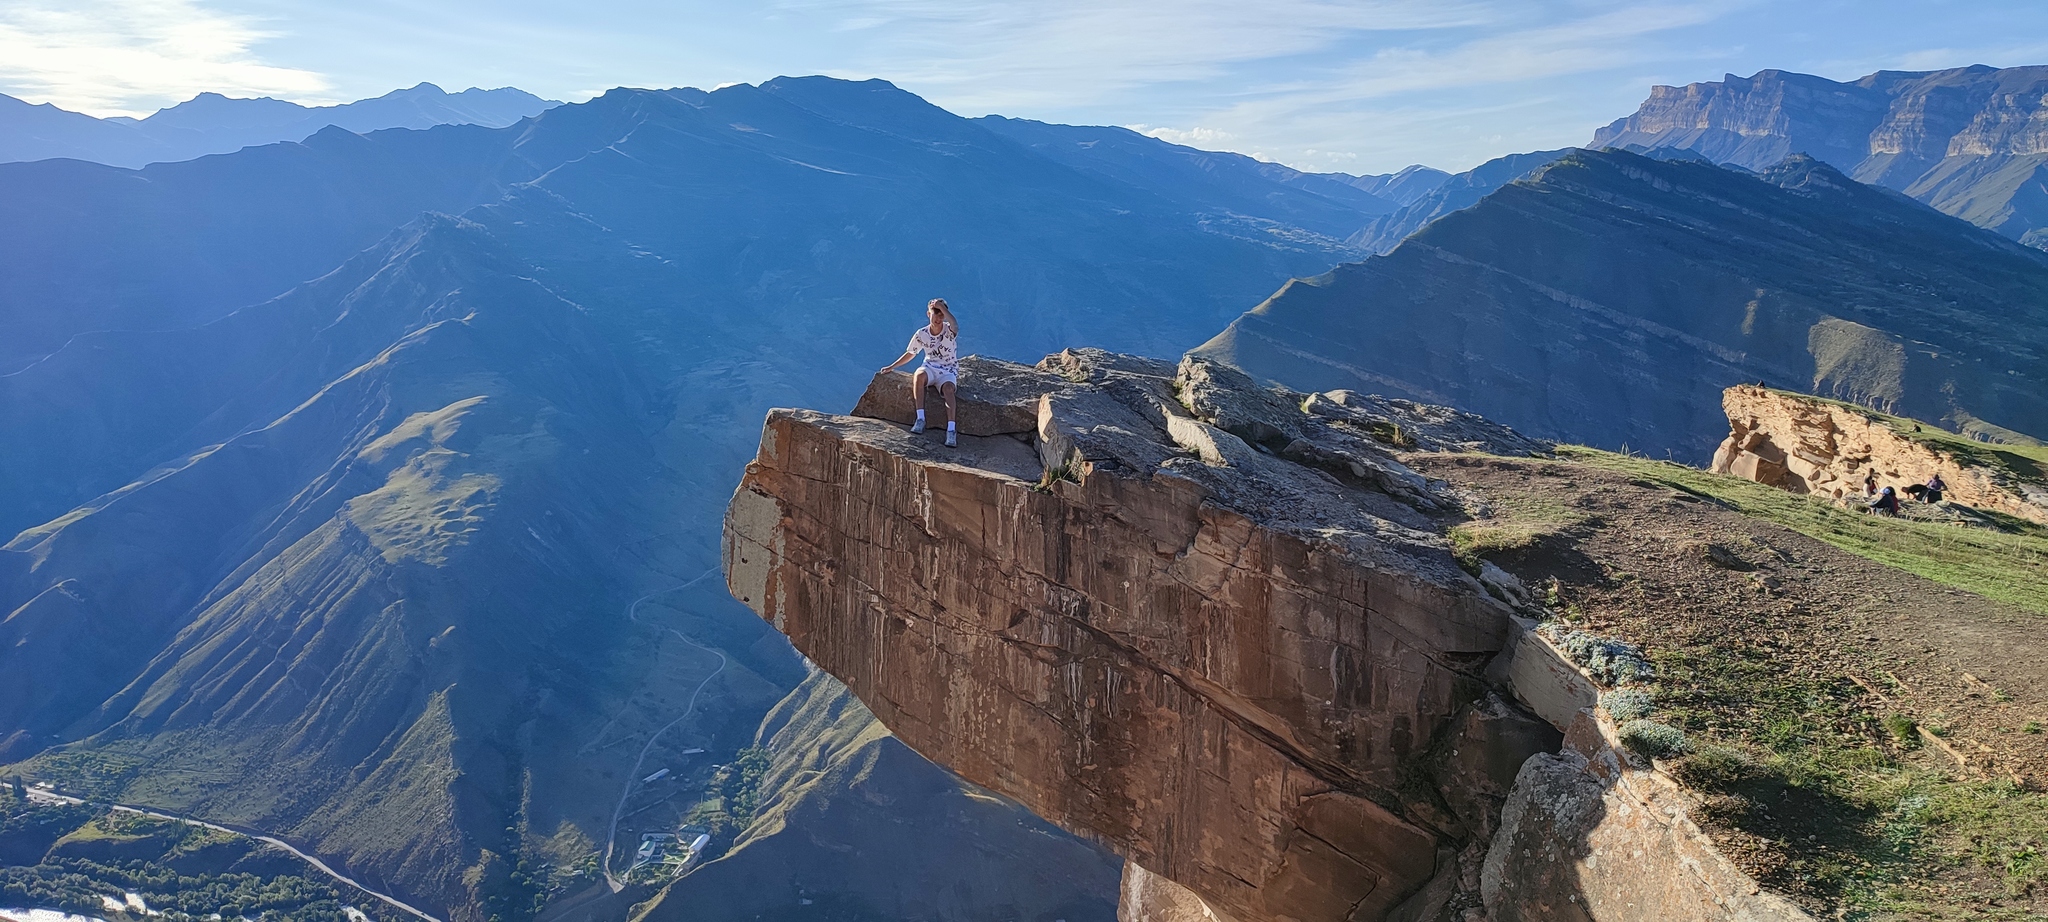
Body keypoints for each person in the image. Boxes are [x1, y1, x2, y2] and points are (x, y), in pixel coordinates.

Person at [880, 298, 961, 447]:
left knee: (949, 390)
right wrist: (892, 366)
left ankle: (951, 430)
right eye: (934, 314)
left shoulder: (949, 330)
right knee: (919, 376)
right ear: (928, 314)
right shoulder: (922, 334)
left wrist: (942, 308)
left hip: (948, 369)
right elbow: (911, 353)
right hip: (930, 366)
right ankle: (920, 419)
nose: (938, 318)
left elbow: (955, 324)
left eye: (941, 315)